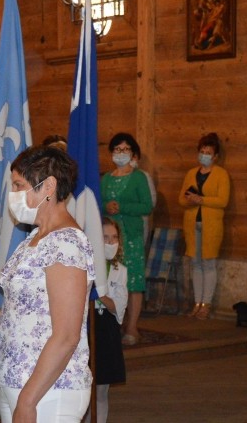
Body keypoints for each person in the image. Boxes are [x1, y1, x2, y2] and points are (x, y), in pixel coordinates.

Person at [0, 145, 95, 422]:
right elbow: (17, 317)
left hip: (49, 391)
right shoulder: (35, 238)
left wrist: (28, 400)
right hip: (18, 382)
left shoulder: (66, 244)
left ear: (48, 186)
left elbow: (66, 335)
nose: (14, 194)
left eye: (19, 185)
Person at [101, 132, 153, 345]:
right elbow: (97, 202)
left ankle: (132, 327)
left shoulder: (139, 177)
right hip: (110, 238)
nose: (121, 153)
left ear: (133, 152)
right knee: (111, 279)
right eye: (117, 149)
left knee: (133, 281)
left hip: (131, 237)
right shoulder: (105, 178)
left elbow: (147, 206)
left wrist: (123, 207)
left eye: (125, 149)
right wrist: (106, 207)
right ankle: (114, 323)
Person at [178, 132, 230, 320]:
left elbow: (223, 200)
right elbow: (181, 200)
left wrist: (202, 199)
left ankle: (206, 304)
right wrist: (190, 200)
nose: (204, 155)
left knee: (208, 264)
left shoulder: (221, 174)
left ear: (215, 157)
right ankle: (197, 302)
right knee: (195, 263)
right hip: (192, 224)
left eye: (208, 153)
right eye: (202, 151)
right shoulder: (191, 173)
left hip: (211, 226)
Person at [86, 217, 128, 423]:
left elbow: (118, 305)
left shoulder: (121, 270)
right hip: (85, 327)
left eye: (114, 238)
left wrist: (101, 294)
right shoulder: (85, 266)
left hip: (106, 328)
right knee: (85, 387)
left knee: (102, 388)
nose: (111, 243)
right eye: (105, 238)